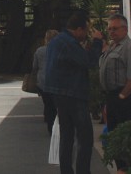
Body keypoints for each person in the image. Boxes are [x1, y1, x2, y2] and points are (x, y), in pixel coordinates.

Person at [44, 10, 103, 174]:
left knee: (67, 135)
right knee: (85, 137)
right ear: (78, 29)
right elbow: (89, 61)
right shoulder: (68, 43)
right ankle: (83, 171)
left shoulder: (57, 41)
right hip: (73, 93)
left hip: (59, 94)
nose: (86, 35)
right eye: (86, 31)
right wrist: (98, 42)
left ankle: (66, 170)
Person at [99, 13, 131, 173]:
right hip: (112, 97)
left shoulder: (130, 47)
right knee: (114, 137)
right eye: (109, 29)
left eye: (115, 28)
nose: (111, 32)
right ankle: (120, 169)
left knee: (125, 138)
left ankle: (127, 169)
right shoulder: (112, 46)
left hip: (125, 98)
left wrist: (122, 96)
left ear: (125, 29)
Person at [33, 29, 59, 133]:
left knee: (48, 104)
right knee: (56, 104)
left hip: (42, 82)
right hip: (56, 81)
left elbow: (34, 66)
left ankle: (50, 125)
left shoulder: (39, 51)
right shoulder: (60, 50)